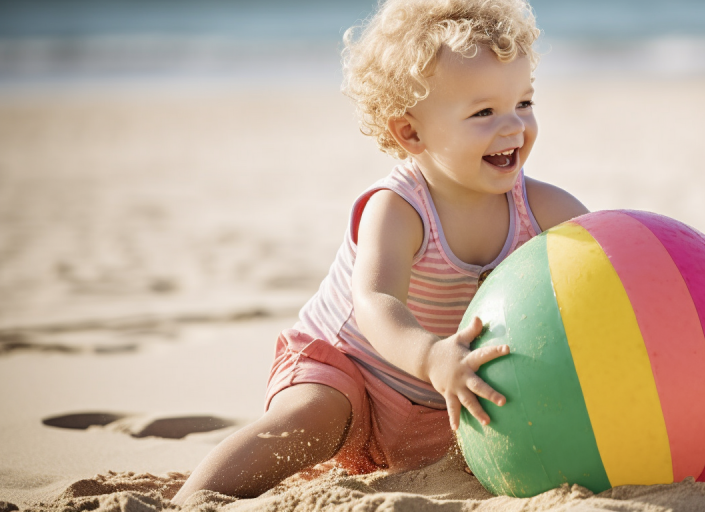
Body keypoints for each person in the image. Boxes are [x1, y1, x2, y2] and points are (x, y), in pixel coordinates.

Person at [172, 0, 588, 503]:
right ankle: (196, 498)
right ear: (410, 132)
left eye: (523, 103)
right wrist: (429, 354)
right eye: (484, 112)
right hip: (350, 372)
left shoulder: (543, 208)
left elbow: (599, 268)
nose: (514, 127)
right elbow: (374, 301)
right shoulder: (398, 208)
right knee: (309, 419)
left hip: (445, 394)